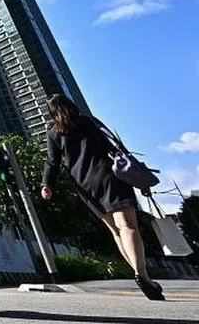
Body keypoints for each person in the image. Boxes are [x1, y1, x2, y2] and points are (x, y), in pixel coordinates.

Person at [41, 94, 163, 301]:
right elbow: (116, 147)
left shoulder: (53, 132)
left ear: (52, 114)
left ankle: (140, 275)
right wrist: (140, 178)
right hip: (109, 176)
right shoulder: (89, 121)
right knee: (128, 226)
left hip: (84, 184)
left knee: (116, 231)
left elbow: (52, 162)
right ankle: (142, 275)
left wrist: (47, 185)